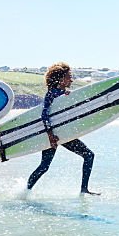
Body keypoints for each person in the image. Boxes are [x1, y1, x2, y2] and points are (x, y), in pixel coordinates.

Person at [26, 62, 98, 195]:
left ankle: (26, 191)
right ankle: (83, 190)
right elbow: (44, 115)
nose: (72, 79)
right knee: (88, 156)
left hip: (61, 134)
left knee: (44, 167)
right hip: (55, 135)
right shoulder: (52, 94)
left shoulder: (61, 93)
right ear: (61, 79)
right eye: (69, 76)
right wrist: (50, 136)